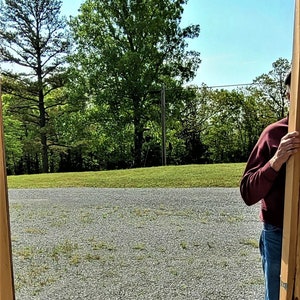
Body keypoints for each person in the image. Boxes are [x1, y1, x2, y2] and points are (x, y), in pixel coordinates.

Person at [240, 70, 300, 300]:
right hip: (278, 233)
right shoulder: (274, 134)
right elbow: (247, 192)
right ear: (288, 96)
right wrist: (276, 160)